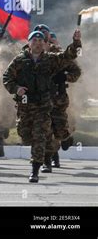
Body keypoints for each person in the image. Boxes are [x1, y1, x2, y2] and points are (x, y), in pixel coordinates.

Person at [3, 29, 82, 182]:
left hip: (43, 106)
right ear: (29, 43)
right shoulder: (19, 60)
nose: (37, 44)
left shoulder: (50, 59)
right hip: (25, 106)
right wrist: (16, 89)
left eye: (40, 41)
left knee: (39, 136)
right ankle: (48, 150)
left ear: (45, 44)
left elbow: (68, 56)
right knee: (26, 135)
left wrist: (76, 43)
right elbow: (7, 77)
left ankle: (35, 170)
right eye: (34, 41)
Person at [43, 32, 81, 170]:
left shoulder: (60, 55)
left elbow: (76, 72)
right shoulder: (30, 53)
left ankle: (65, 137)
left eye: (46, 39)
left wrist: (64, 76)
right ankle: (49, 160)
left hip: (59, 97)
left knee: (58, 128)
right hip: (40, 99)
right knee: (45, 128)